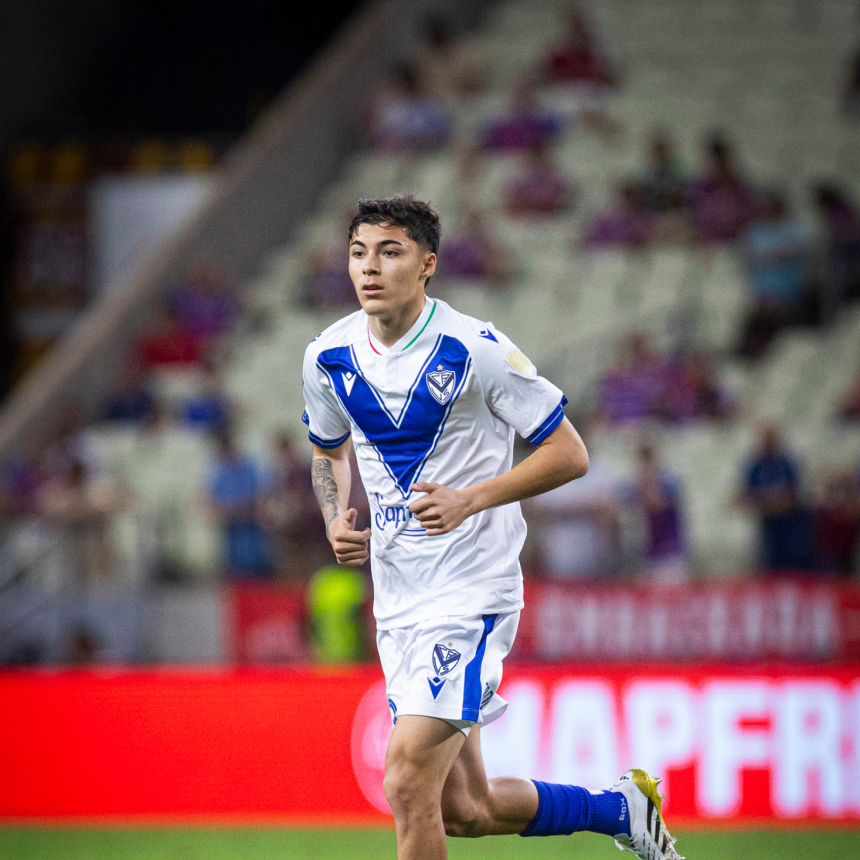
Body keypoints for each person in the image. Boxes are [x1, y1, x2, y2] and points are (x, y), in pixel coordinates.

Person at [301, 196, 683, 860]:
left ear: (427, 264)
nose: (369, 267)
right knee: (465, 809)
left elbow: (570, 453)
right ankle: (621, 809)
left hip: (471, 593)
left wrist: (471, 499)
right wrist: (335, 517)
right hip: (399, 601)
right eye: (359, 252)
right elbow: (325, 451)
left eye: (390, 252)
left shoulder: (477, 351)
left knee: (405, 780)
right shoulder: (327, 355)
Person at [740, 424, 814, 572]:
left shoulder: (787, 463)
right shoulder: (756, 466)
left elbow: (795, 494)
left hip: (790, 526)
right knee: (769, 568)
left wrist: (771, 501)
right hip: (768, 526)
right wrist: (770, 501)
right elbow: (746, 495)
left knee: (791, 567)